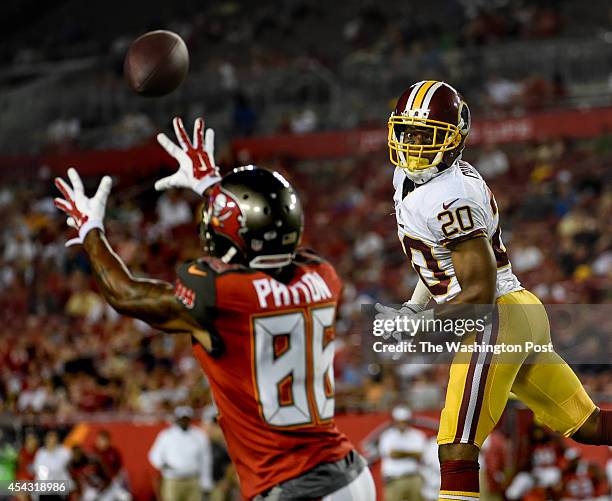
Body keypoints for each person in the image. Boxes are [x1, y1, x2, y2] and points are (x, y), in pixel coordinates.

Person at [52, 117, 375, 500]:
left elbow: (126, 295)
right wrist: (212, 187)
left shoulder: (226, 296)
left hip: (296, 486)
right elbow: (267, 245)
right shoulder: (324, 277)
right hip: (351, 474)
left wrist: (90, 231)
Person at [376, 80, 612, 501]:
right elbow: (436, 261)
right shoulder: (412, 181)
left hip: (497, 317)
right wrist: (415, 306)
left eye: (425, 136)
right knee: (589, 425)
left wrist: (418, 327)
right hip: (518, 315)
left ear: (453, 140)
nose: (412, 146)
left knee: (456, 446)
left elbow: (480, 294)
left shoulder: (450, 196)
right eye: (407, 133)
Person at [148, 406, 212, 501]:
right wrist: (163, 465)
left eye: (186, 419)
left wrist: (206, 482)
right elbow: (154, 455)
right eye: (181, 418)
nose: (184, 421)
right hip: (173, 480)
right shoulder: (167, 435)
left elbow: (205, 460)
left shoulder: (199, 435)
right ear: (176, 419)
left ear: (190, 419)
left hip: (192, 479)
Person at [378, 405, 427, 501]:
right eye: (399, 421)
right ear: (394, 421)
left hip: (414, 478)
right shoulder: (387, 436)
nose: (402, 424)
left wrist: (400, 452)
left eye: (404, 421)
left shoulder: (417, 435)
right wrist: (411, 453)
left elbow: (420, 455)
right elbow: (393, 454)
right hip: (395, 479)